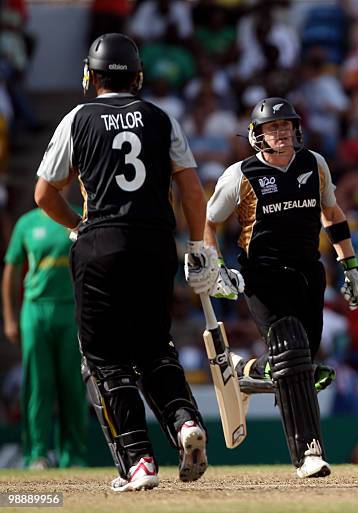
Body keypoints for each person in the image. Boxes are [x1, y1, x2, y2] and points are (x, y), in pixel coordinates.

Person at [33, 33, 218, 491]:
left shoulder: (77, 119)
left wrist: (78, 225)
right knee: (155, 348)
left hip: (101, 244)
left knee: (105, 359)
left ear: (89, 76)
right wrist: (198, 245)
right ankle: (183, 423)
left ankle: (139, 462)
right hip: (155, 245)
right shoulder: (160, 117)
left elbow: (43, 193)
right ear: (137, 76)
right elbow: (192, 190)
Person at [203, 97, 358, 478]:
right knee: (293, 352)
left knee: (299, 363)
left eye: (286, 126)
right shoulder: (239, 175)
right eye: (271, 128)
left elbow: (332, 214)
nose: (280, 133)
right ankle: (308, 452)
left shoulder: (315, 163)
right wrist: (216, 267)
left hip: (308, 273)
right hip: (262, 276)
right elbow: (208, 223)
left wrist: (351, 265)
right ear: (257, 135)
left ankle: (246, 372)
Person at [2, 204, 88, 469]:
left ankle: (72, 456)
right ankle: (37, 453)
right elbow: (11, 271)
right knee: (38, 385)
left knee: (73, 385)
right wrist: (9, 318)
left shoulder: (75, 216)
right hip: (36, 309)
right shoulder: (27, 223)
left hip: (70, 310)